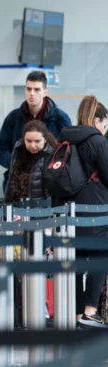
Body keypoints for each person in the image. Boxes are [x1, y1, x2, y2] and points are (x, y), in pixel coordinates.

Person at [52, 96, 108, 329]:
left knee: (74, 263)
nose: (105, 129)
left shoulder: (64, 140)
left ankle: (75, 312)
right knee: (99, 258)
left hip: (69, 212)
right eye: (105, 125)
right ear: (97, 121)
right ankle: (90, 311)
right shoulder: (97, 142)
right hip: (95, 210)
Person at [0, 71, 71, 188]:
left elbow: (69, 149)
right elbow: (0, 148)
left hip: (50, 183)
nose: (32, 93)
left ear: (45, 92)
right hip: (18, 184)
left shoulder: (60, 118)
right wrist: (16, 163)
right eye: (28, 89)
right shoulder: (13, 118)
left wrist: (51, 167)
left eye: (37, 89)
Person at [4, 120, 56, 203]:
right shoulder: (18, 150)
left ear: (45, 139)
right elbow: (11, 179)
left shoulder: (52, 155)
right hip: (17, 207)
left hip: (41, 209)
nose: (32, 145)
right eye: (28, 141)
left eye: (37, 141)